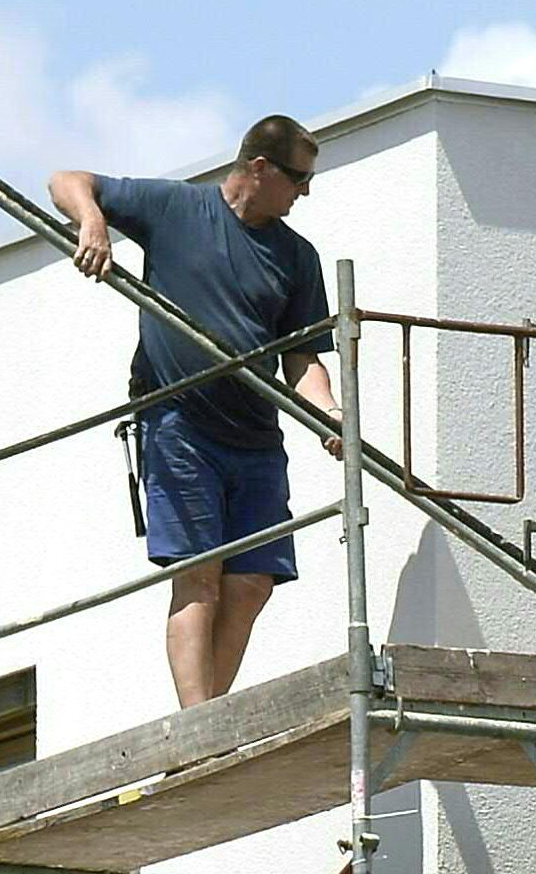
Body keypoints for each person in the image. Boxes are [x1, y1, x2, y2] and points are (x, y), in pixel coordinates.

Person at [51, 117, 340, 707]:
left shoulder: (296, 257)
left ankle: (207, 718)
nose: (305, 192)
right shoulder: (177, 209)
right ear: (259, 168)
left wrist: (330, 413)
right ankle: (198, 723)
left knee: (253, 582)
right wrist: (93, 222)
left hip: (255, 436)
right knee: (199, 576)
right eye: (298, 179)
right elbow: (68, 180)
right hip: (179, 424)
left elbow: (302, 357)